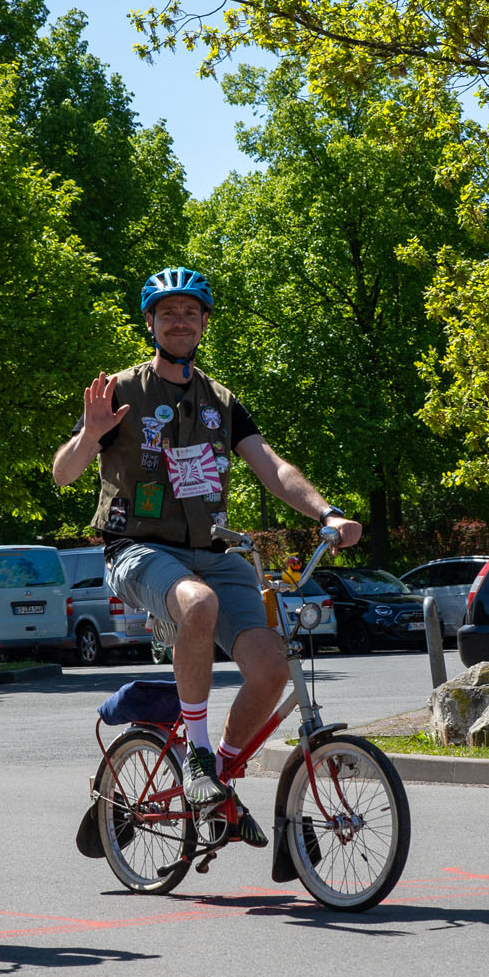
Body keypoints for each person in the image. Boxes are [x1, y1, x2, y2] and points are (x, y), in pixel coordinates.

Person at [52, 267, 362, 844]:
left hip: (214, 550)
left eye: (190, 312)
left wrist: (327, 514)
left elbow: (272, 467)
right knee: (198, 605)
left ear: (204, 323)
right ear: (149, 322)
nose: (179, 321)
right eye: (167, 312)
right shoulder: (120, 390)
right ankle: (196, 758)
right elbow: (62, 474)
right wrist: (89, 435)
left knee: (271, 666)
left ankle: (216, 775)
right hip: (139, 548)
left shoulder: (221, 400)